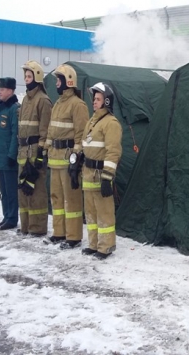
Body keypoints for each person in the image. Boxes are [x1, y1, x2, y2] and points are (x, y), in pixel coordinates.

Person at [45, 64, 89, 249]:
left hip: (68, 160)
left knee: (71, 199)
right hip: (55, 159)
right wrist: (46, 147)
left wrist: (77, 158)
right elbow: (51, 129)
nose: (56, 83)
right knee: (56, 197)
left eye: (58, 80)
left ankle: (73, 236)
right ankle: (59, 232)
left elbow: (82, 134)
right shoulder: (58, 103)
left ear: (67, 81)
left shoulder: (78, 105)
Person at [80, 82, 122, 259]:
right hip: (88, 174)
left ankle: (106, 246)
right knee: (90, 213)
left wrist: (107, 178)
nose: (94, 102)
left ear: (106, 102)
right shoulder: (92, 121)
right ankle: (94, 243)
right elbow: (85, 145)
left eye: (98, 99)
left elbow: (113, 152)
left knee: (104, 212)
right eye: (94, 99)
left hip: (100, 176)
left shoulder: (111, 123)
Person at [17, 61, 52, 237]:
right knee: (23, 190)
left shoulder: (43, 101)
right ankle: (25, 226)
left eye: (29, 76)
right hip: (23, 151)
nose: (26, 79)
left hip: (35, 151)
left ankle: (37, 228)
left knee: (37, 191)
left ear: (37, 78)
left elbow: (45, 130)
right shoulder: (25, 100)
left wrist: (40, 153)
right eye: (25, 76)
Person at [0, 77, 20, 231]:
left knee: (11, 190)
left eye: (2, 89)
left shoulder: (14, 108)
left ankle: (12, 218)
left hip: (8, 157)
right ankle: (6, 215)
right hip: (0, 157)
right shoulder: (0, 107)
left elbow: (15, 134)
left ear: (10, 90)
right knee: (3, 191)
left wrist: (11, 155)